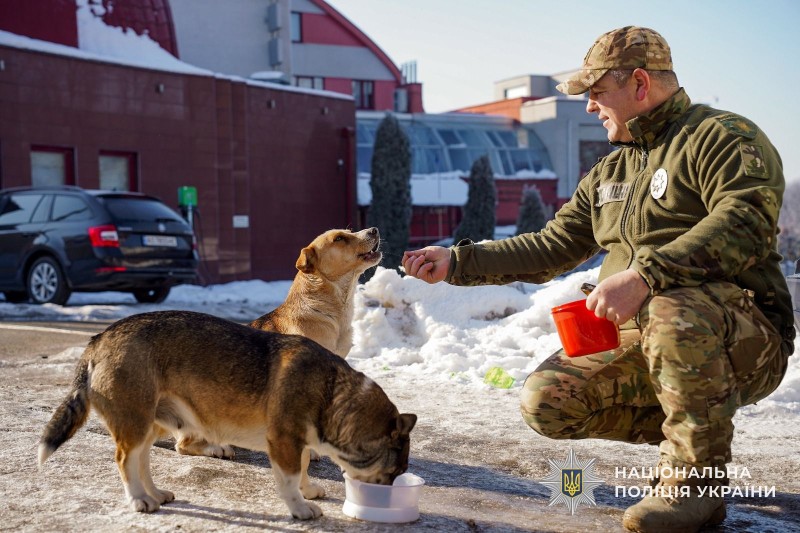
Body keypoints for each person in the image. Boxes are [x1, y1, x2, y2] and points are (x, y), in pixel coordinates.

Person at [402, 26, 794, 533]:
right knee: (549, 401)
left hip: (744, 337)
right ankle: (696, 435)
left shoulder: (722, 137)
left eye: (597, 92)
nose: (589, 106)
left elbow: (746, 220)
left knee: (670, 303)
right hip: (653, 340)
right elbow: (552, 246)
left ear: (639, 83)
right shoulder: (610, 171)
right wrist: (457, 262)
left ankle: (694, 483)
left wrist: (646, 275)